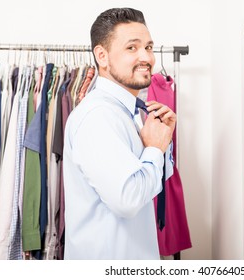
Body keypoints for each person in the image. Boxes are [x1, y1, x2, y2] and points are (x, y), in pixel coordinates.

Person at [63, 7, 176, 260]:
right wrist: (155, 150)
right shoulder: (98, 117)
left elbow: (151, 183)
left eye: (148, 47)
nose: (146, 57)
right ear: (102, 56)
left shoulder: (129, 113)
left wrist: (162, 142)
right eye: (132, 48)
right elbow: (128, 199)